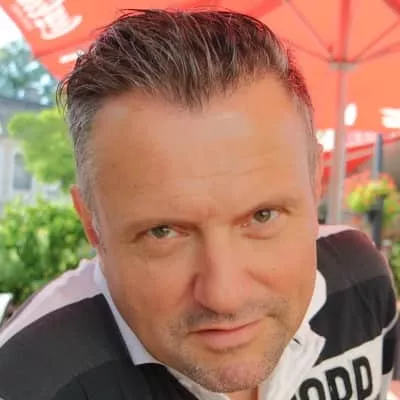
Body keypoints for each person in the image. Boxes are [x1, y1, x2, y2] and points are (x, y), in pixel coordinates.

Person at [0, 9, 397, 400]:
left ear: (315, 186)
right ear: (92, 224)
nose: (225, 296)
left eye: (262, 216)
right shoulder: (29, 380)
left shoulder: (360, 282)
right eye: (162, 232)